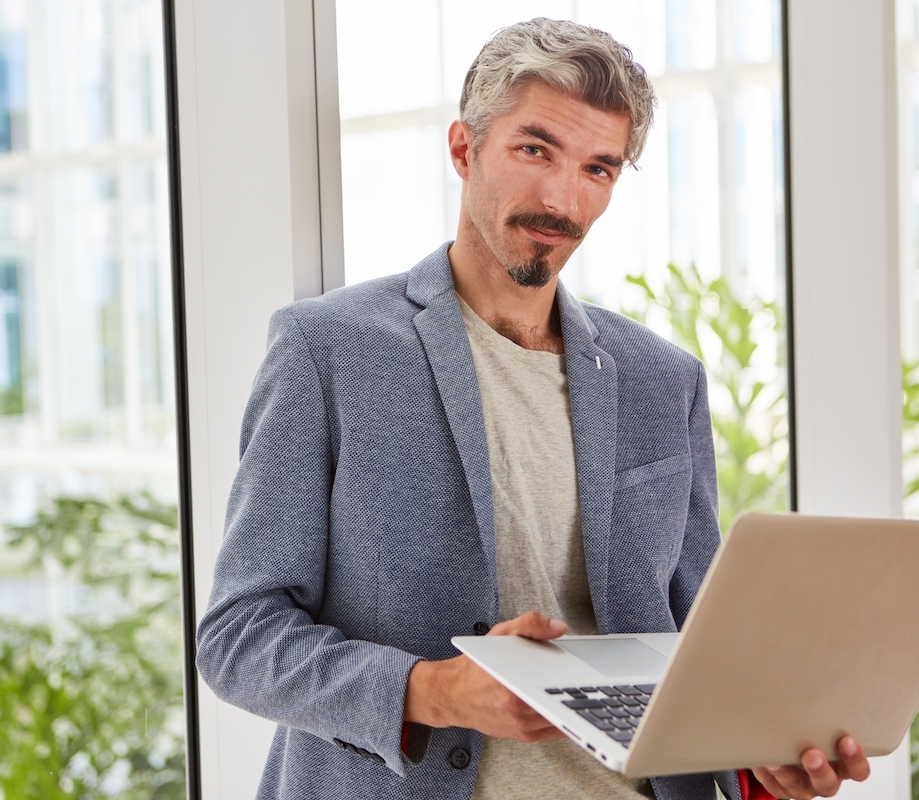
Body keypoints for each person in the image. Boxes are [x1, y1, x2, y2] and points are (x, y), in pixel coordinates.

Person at [197, 17, 870, 800]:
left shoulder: (663, 380)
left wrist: (761, 758)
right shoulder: (329, 350)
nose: (562, 198)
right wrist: (434, 690)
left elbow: (696, 652)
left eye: (598, 168)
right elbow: (238, 638)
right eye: (535, 150)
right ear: (463, 148)